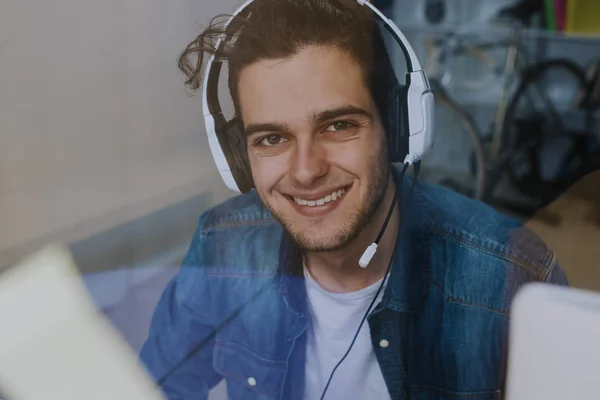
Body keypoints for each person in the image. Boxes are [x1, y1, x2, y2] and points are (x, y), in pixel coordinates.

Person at [140, 1, 568, 399]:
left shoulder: (508, 274)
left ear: (398, 128)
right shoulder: (223, 244)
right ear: (237, 156)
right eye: (272, 138)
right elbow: (153, 387)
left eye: (338, 125)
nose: (306, 171)